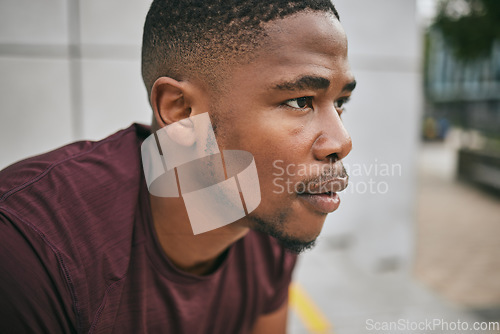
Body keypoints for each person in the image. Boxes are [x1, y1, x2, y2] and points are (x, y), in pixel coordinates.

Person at [0, 0, 355, 333]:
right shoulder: (29, 251)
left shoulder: (272, 221)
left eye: (340, 102)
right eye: (299, 101)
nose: (342, 142)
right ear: (181, 111)